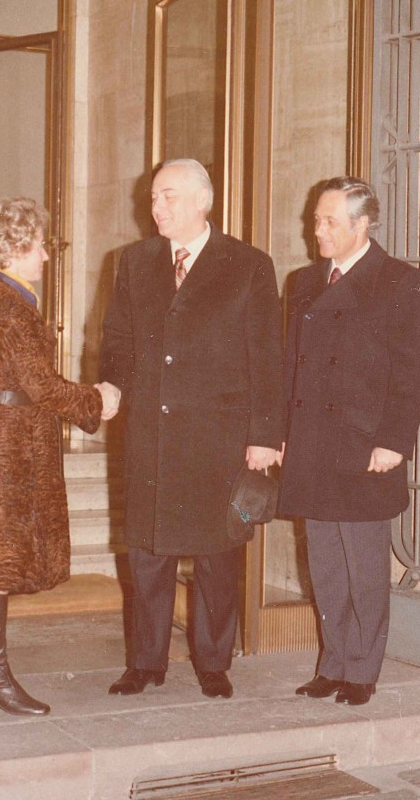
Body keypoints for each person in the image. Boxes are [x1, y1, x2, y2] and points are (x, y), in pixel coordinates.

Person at [99, 158, 285, 699]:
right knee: (147, 553)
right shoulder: (134, 261)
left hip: (217, 438)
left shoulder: (248, 265)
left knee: (216, 555)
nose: (156, 207)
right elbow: (117, 340)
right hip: (150, 435)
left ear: (203, 201)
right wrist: (112, 386)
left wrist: (264, 435)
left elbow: (267, 356)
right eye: (153, 197)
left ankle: (213, 662)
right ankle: (145, 663)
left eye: (169, 196)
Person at [0, 197, 117, 716]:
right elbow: (41, 385)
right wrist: (96, 401)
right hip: (7, 443)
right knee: (0, 556)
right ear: (11, 248)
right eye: (38, 245)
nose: (44, 254)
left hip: (0, 434)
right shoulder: (10, 307)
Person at [278, 176, 420, 706]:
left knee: (363, 567)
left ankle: (362, 670)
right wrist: (281, 435)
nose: (316, 230)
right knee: (324, 565)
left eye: (328, 221)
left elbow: (411, 374)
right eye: (315, 220)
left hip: (365, 446)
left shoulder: (400, 281)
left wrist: (394, 441)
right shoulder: (303, 282)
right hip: (312, 445)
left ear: (361, 225)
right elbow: (288, 369)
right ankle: (333, 664)